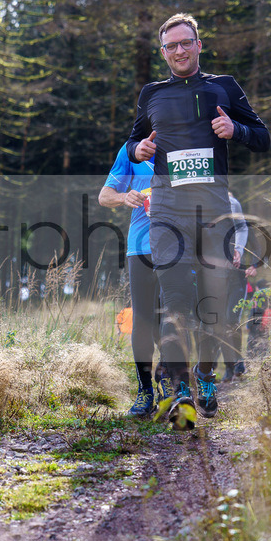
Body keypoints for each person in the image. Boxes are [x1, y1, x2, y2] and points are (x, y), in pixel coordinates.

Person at [127, 12, 270, 422]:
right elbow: (136, 139)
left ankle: (206, 375)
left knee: (215, 308)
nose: (179, 50)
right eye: (170, 45)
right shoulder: (152, 93)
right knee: (174, 303)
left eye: (185, 42)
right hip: (168, 210)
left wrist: (235, 131)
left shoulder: (223, 87)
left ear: (198, 45)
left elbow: (263, 137)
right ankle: (181, 391)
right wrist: (138, 150)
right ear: (163, 52)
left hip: (214, 212)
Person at [99, 142, 164, 417]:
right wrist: (125, 197)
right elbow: (104, 196)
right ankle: (145, 391)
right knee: (143, 318)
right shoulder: (131, 151)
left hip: (180, 248)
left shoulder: (185, 144)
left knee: (173, 317)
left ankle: (173, 381)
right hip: (140, 247)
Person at [218, 191, 258, 383]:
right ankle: (229, 366)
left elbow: (258, 248)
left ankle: (237, 361)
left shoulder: (241, 225)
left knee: (231, 320)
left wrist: (254, 265)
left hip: (237, 279)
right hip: (216, 279)